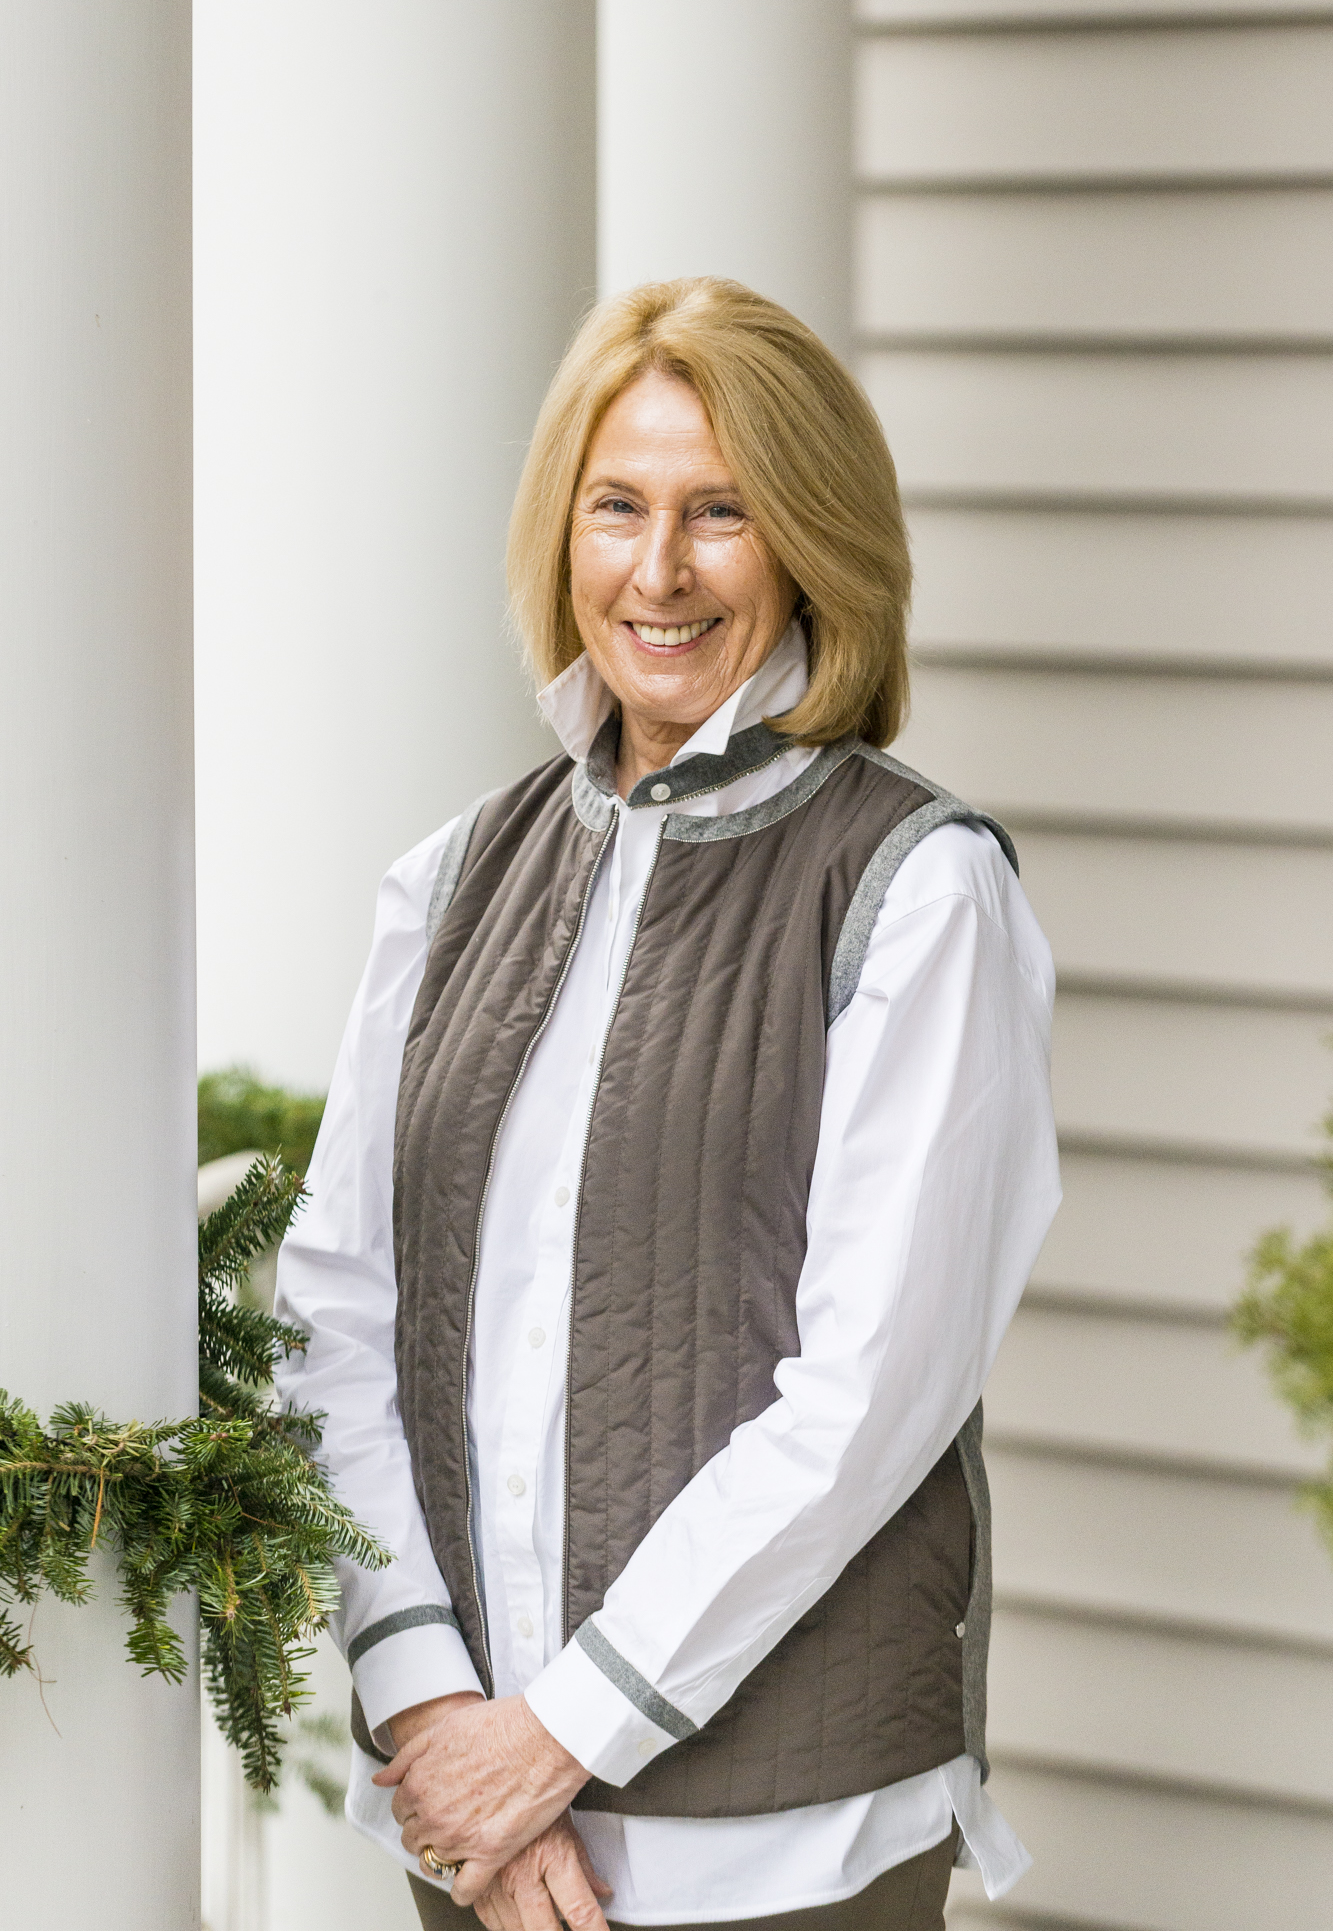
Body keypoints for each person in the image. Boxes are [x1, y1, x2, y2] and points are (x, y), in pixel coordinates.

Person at [274, 277, 1061, 1931]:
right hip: (473, 1831)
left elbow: (870, 1393)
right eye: (616, 507)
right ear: (559, 534)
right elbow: (337, 1321)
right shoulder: (452, 879)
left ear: (814, 542)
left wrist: (554, 1737)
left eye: (721, 512)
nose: (659, 571)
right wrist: (436, 1712)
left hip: (780, 1847)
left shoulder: (916, 890)